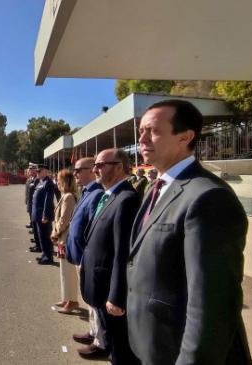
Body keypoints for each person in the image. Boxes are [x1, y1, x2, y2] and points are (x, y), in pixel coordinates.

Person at [127, 99, 251, 365]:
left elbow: (212, 306)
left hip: (177, 350)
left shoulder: (209, 197)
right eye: (141, 131)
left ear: (185, 137)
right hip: (152, 344)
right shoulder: (157, 188)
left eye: (153, 131)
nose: (142, 139)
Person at [78, 149, 140, 364]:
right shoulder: (109, 194)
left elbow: (123, 252)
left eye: (101, 165)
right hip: (98, 280)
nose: (95, 169)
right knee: (111, 341)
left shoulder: (126, 199)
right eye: (94, 165)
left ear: (119, 167)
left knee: (120, 348)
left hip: (109, 288)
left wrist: (116, 295)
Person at [66, 158, 106, 351]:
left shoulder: (97, 193)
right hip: (79, 255)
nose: (75, 174)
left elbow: (93, 230)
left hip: (86, 257)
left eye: (78, 170)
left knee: (94, 300)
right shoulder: (87, 191)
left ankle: (100, 341)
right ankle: (92, 332)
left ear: (91, 170)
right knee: (88, 299)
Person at [50, 169, 78, 313]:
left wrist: (55, 232)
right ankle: (66, 297)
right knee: (64, 270)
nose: (57, 182)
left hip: (65, 237)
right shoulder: (65, 196)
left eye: (59, 180)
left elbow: (64, 219)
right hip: (62, 237)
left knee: (68, 271)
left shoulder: (68, 197)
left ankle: (72, 301)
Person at [31, 164, 56, 264]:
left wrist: (45, 215)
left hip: (43, 215)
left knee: (46, 236)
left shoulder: (48, 183)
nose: (37, 173)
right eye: (37, 172)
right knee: (41, 236)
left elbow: (48, 200)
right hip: (38, 214)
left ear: (45, 171)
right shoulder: (41, 182)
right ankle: (44, 254)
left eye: (39, 171)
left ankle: (48, 257)